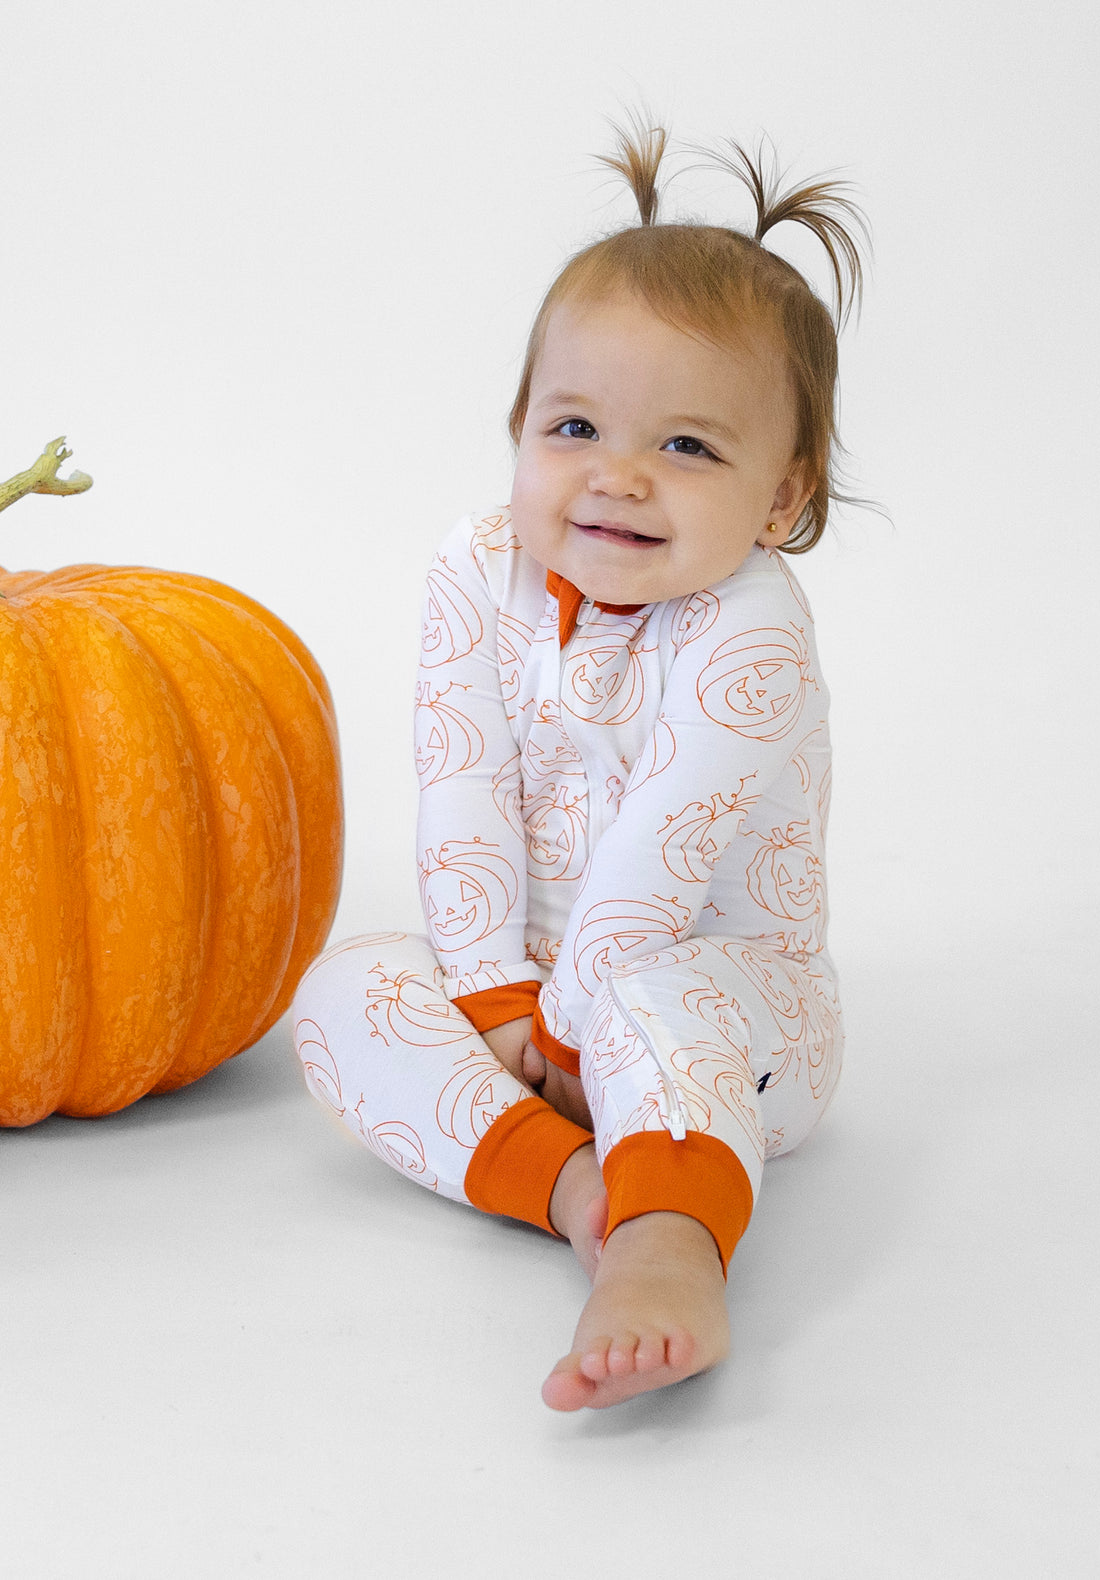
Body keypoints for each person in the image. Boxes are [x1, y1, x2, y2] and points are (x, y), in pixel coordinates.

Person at [291, 114, 869, 1411]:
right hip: (534, 1020)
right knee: (339, 997)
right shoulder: (478, 563)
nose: (617, 478)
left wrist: (571, 1013)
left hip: (725, 1002)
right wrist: (496, 996)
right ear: (518, 427)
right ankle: (577, 1188)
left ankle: (673, 1239)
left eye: (686, 446)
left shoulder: (752, 634)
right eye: (573, 428)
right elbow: (462, 784)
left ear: (783, 497)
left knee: (659, 1002)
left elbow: (657, 863)